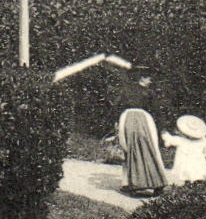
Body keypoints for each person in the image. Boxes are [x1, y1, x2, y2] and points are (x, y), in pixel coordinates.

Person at [53, 52, 167, 196]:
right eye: (148, 77)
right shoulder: (148, 93)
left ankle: (135, 183)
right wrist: (159, 127)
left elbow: (117, 107)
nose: (150, 80)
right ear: (141, 77)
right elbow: (155, 110)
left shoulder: (128, 90)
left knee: (132, 150)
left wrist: (115, 122)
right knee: (148, 149)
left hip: (129, 120)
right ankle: (155, 183)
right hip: (143, 121)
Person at [163, 114, 206, 186]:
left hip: (186, 162)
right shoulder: (202, 139)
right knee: (198, 173)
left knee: (187, 174)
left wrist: (165, 134)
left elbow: (170, 140)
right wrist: (204, 154)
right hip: (198, 160)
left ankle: (188, 185)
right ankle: (198, 185)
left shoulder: (182, 140)